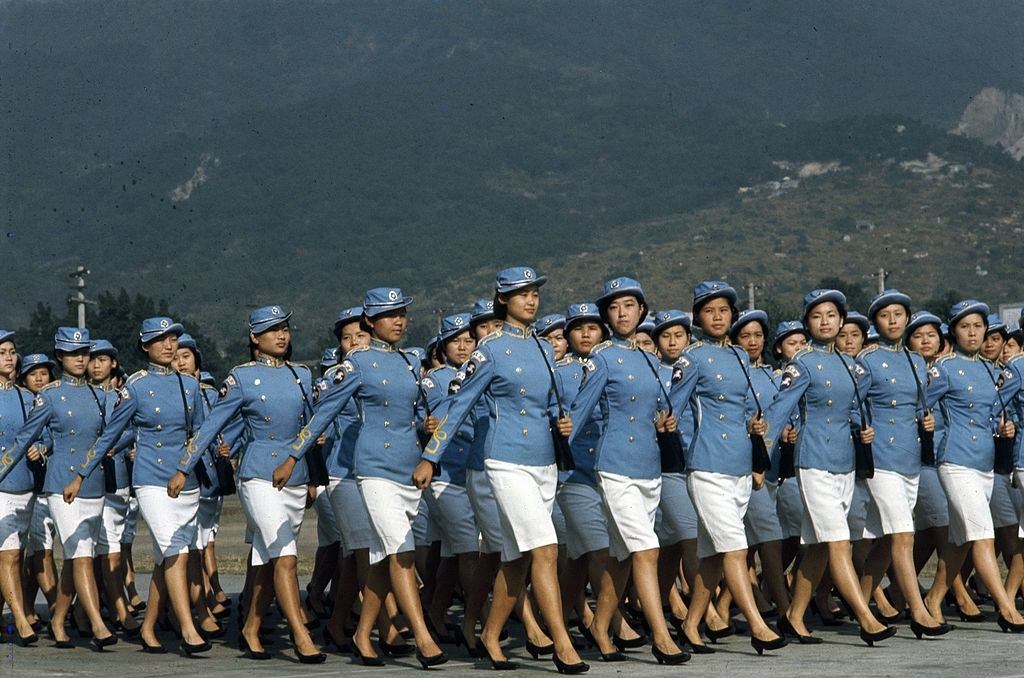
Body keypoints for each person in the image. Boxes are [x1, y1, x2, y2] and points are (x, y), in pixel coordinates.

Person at [417, 267, 588, 673]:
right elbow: (457, 407)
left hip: (544, 460)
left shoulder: (546, 349)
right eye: (520, 294)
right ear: (502, 301)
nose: (530, 300)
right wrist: (431, 456)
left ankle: (491, 634)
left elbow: (547, 404)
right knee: (544, 547)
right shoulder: (489, 349)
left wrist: (560, 422)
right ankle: (561, 642)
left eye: (534, 293)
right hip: (503, 459)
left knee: (516, 559)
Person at [289, 290, 446, 669]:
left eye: (402, 314)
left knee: (379, 557)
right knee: (402, 552)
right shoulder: (356, 363)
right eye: (388, 315)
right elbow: (325, 412)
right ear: (370, 323)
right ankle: (423, 636)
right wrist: (295, 454)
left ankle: (362, 634)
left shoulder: (410, 362)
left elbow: (419, 410)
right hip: (372, 469)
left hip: (408, 469)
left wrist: (429, 436)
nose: (398, 321)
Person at [171, 306, 325, 663]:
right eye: (273, 330)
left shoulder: (301, 374)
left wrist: (314, 476)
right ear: (255, 338)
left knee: (266, 558)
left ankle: (252, 626)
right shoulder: (241, 378)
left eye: (285, 328)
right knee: (285, 556)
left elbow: (312, 426)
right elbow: (211, 426)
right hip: (259, 476)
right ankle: (300, 635)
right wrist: (184, 466)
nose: (282, 336)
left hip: (295, 476)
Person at [567, 278, 688, 664]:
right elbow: (581, 411)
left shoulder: (651, 361)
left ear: (641, 312)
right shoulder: (601, 358)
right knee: (646, 549)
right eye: (615, 307)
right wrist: (555, 453)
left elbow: (662, 408)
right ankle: (661, 636)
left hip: (649, 467)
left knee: (621, 557)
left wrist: (664, 422)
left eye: (629, 306)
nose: (622, 313)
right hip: (615, 465)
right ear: (607, 315)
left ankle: (601, 628)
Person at [76, 318, 216, 656]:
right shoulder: (136, 387)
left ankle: (150, 627)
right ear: (144, 347)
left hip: (186, 481)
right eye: (160, 340)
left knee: (167, 558)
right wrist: (82, 473)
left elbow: (201, 433)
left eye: (173, 339)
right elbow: (112, 433)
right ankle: (187, 629)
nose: (169, 346)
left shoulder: (190, 386)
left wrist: (191, 467)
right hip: (152, 480)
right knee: (176, 553)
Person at [763, 289, 894, 646]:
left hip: (844, 462)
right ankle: (866, 618)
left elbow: (853, 411)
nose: (825, 321)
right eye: (817, 316)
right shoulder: (802, 363)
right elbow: (778, 410)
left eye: (832, 315)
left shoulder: (852, 366)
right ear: (808, 322)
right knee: (837, 540)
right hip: (813, 459)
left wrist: (861, 430)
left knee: (819, 545)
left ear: (841, 320)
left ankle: (793, 616)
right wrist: (762, 459)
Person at [670, 281, 787, 656]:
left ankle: (690, 625)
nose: (718, 316)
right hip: (707, 467)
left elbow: (747, 410)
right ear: (698, 317)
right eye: (709, 310)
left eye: (723, 310)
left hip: (739, 466)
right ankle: (757, 626)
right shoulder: (692, 357)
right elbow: (671, 410)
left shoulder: (739, 355)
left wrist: (756, 439)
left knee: (714, 555)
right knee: (735, 548)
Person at [9, 328, 117, 650]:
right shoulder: (50, 395)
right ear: (60, 356)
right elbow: (25, 437)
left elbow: (111, 435)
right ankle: (97, 623)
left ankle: (58, 619)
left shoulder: (100, 395)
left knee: (76, 557)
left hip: (93, 483)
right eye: (72, 353)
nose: (81, 358)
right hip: (61, 484)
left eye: (84, 351)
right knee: (81, 554)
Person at [920, 301, 1024, 631]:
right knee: (982, 534)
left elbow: (994, 412)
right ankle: (1008, 609)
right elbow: (920, 407)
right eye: (965, 327)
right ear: (954, 331)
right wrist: (930, 438)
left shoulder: (992, 370)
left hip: (985, 462)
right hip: (955, 461)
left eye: (978, 326)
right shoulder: (944, 368)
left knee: (960, 539)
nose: (973, 332)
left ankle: (934, 598)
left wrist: (1004, 428)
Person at [854, 291, 950, 638]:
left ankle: (861, 605)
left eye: (899, 314)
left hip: (909, 457)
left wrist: (923, 421)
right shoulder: (866, 360)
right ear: (875, 322)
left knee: (885, 539)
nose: (893, 320)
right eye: (885, 315)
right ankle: (919, 611)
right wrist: (861, 430)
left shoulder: (915, 360)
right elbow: (854, 404)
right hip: (881, 456)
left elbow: (920, 403)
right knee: (903, 534)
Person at [730, 310, 791, 618]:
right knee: (768, 535)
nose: (752, 342)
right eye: (745, 336)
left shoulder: (771, 375)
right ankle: (785, 608)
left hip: (775, 468)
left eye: (757, 335)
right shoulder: (732, 373)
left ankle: (731, 604)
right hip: (747, 467)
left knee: (751, 541)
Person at [86, 339, 141, 637]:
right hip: (91, 480)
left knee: (111, 549)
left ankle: (93, 609)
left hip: (119, 477)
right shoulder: (81, 395)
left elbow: (133, 428)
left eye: (103, 359)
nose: (97, 365)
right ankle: (116, 608)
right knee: (105, 551)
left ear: (114, 364)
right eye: (92, 359)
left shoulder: (123, 396)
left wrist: (113, 445)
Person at [0, 331, 42, 645]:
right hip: (1, 486)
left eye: (12, 351)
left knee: (14, 556)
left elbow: (46, 434)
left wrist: (41, 447)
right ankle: (19, 620)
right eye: (2, 352)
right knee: (10, 556)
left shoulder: (28, 398)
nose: (9, 358)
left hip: (26, 484)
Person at [16, 353, 58, 627]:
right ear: (23, 378)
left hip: (48, 484)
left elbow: (52, 437)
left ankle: (28, 608)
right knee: (38, 550)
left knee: (36, 552)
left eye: (44, 373)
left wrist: (43, 447)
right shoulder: (19, 403)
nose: (40, 378)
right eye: (33, 374)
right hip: (24, 486)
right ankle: (57, 607)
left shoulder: (53, 402)